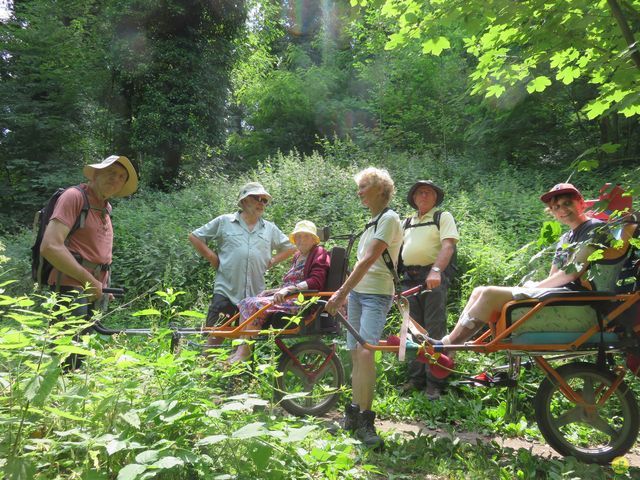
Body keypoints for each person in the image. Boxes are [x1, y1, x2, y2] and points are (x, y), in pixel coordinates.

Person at [424, 183, 604, 351]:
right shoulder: (565, 239)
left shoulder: (594, 229)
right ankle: (450, 345)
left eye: (567, 203)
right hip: (563, 293)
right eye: (556, 207)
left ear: (581, 203)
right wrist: (535, 286)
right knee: (479, 290)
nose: (562, 210)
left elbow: (570, 274)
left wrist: (534, 288)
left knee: (489, 293)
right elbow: (554, 275)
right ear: (552, 212)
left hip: (580, 297)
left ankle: (447, 346)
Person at [325, 167, 402, 449]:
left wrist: (339, 293)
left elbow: (368, 261)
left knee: (367, 353)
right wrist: (347, 294)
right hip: (358, 295)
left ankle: (367, 422)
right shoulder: (372, 222)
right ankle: (354, 415)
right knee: (356, 355)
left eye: (364, 187)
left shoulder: (389, 219)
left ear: (380, 189)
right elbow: (360, 265)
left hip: (375, 295)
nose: (359, 193)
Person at [40, 155, 138, 369]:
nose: (116, 179)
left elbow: (95, 251)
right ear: (96, 174)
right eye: (111, 173)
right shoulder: (74, 197)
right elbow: (50, 246)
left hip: (92, 288)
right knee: (66, 356)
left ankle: (71, 397)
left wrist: (103, 283)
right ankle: (57, 398)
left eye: (121, 177)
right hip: (71, 287)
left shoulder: (105, 207)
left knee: (80, 352)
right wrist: (89, 281)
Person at [188, 182, 295, 347]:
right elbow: (195, 237)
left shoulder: (270, 229)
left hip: (254, 297)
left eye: (264, 200)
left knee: (245, 345)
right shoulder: (225, 221)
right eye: (256, 198)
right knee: (213, 338)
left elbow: (291, 247)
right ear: (244, 201)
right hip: (226, 291)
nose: (261, 203)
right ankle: (205, 372)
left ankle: (239, 372)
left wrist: (272, 261)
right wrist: (213, 258)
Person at [227, 220, 331, 363]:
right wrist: (272, 291)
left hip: (300, 301)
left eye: (305, 236)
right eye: (298, 236)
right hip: (288, 296)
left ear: (314, 239)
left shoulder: (319, 253)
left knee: (255, 305)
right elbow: (290, 282)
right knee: (247, 301)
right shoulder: (297, 256)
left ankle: (244, 352)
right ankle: (240, 348)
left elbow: (316, 281)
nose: (301, 240)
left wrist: (289, 290)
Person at [400, 180, 459, 400]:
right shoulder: (406, 221)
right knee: (412, 330)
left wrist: (436, 270)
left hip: (432, 276)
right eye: (419, 193)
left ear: (435, 198)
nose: (423, 196)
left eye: (428, 192)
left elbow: (448, 245)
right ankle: (416, 379)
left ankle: (435, 383)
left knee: (434, 329)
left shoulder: (442, 217)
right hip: (409, 278)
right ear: (414, 199)